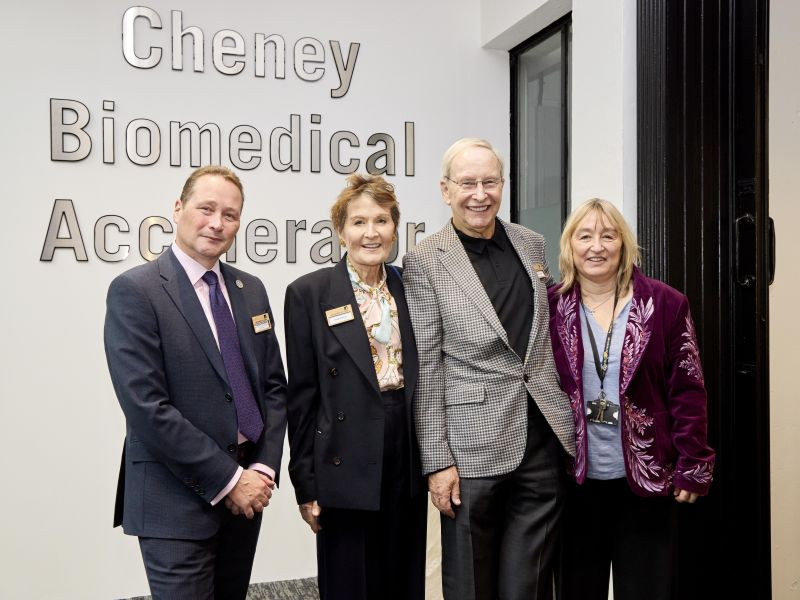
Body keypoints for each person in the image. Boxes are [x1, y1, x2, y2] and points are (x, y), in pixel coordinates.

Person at [402, 138, 575, 600]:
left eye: (490, 182)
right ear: (445, 190)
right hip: (470, 448)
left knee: (531, 583)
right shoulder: (424, 260)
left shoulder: (531, 242)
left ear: (503, 185)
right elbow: (428, 367)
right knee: (471, 585)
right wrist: (437, 462)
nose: (480, 194)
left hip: (541, 438)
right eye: (467, 183)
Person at [104, 165, 288, 600]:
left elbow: (273, 389)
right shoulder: (136, 290)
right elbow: (146, 407)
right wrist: (229, 479)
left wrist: (261, 468)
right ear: (178, 208)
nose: (216, 223)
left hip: (245, 500)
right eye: (206, 208)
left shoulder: (251, 289)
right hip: (176, 503)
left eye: (230, 214)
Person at [548, 198, 716, 600]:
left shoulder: (666, 304)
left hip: (647, 478)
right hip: (573, 478)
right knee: (575, 589)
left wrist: (694, 461)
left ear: (624, 244)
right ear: (570, 246)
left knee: (645, 590)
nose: (597, 246)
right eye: (585, 236)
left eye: (608, 236)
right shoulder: (551, 306)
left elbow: (688, 388)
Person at [284, 174, 427, 600]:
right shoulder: (308, 293)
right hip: (342, 458)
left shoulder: (411, 286)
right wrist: (305, 484)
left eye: (381, 221)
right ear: (341, 230)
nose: (371, 233)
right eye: (359, 222)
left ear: (395, 228)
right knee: (351, 582)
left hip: (405, 444)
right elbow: (302, 397)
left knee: (403, 576)